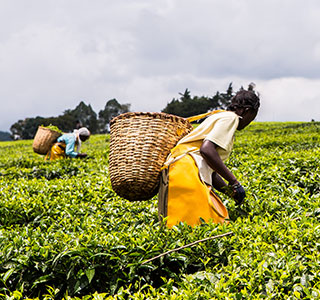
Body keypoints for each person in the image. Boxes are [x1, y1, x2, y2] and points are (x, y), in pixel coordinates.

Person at [158, 88, 260, 228]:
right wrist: (234, 182)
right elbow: (206, 150)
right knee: (211, 222)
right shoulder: (231, 118)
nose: (251, 120)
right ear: (246, 110)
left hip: (177, 171)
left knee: (178, 226)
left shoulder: (220, 116)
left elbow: (208, 167)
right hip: (187, 171)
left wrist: (229, 192)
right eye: (253, 115)